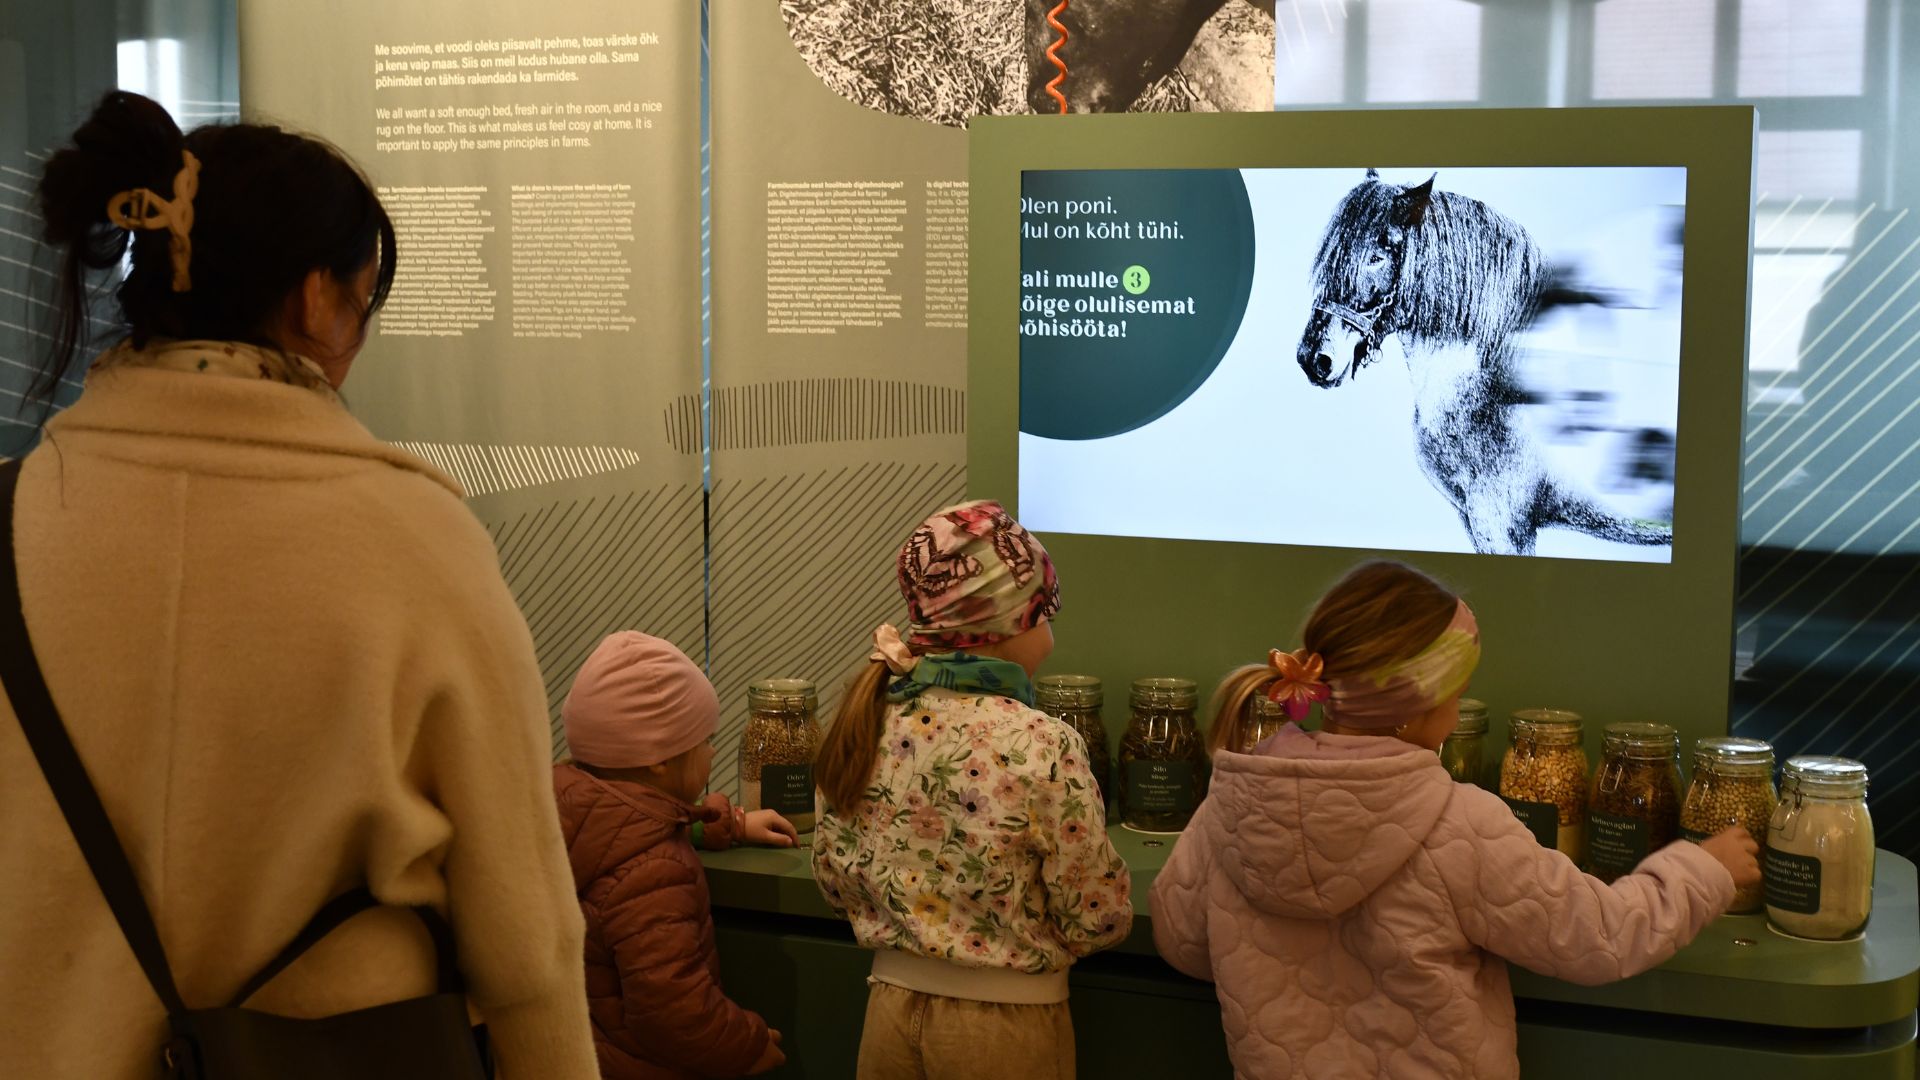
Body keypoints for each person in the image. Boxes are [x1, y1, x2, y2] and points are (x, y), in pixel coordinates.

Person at [0, 91, 598, 1077]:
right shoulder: (417, 541)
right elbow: (526, 938)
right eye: (366, 300)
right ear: (317, 300)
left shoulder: (13, 519)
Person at [1151, 560, 1760, 1080]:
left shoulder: (1234, 802)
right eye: (1457, 689)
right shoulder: (1460, 824)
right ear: (1418, 706)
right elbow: (1599, 937)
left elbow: (1181, 940)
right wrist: (1703, 868)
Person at [811, 499, 1132, 1080]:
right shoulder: (1043, 742)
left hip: (886, 1014)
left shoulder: (866, 721)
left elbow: (836, 883)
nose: (1049, 632)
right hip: (1006, 1032)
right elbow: (1097, 915)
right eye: (1044, 614)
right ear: (1008, 626)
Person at [552, 631, 798, 1078]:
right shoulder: (653, 874)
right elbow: (673, 1010)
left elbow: (637, 823)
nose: (712, 751)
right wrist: (746, 1043)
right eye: (704, 741)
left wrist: (733, 822)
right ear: (659, 760)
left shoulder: (575, 812)